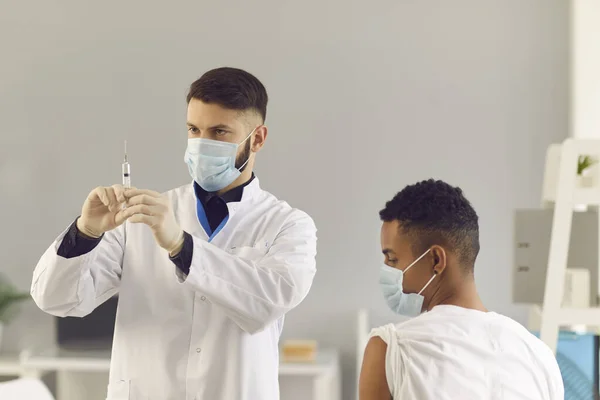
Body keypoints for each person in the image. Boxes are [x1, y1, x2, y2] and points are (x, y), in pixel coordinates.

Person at [31, 67, 317, 400]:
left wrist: (181, 245)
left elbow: (269, 301)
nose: (201, 143)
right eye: (194, 130)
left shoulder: (288, 224)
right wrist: (86, 231)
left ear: (257, 138)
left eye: (219, 132)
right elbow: (57, 299)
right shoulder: (141, 217)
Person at [359, 179, 563, 400]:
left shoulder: (393, 349)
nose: (387, 270)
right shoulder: (538, 355)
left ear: (436, 259)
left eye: (392, 258)